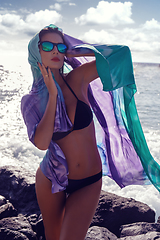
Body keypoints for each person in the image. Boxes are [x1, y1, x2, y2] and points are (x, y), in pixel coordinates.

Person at [21, 24, 160, 240]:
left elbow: (120, 55)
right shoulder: (31, 102)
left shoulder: (77, 79)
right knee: (52, 237)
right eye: (47, 46)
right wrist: (52, 96)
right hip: (50, 178)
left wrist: (75, 49)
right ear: (35, 52)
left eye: (60, 45)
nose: (56, 51)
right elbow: (41, 142)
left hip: (87, 181)